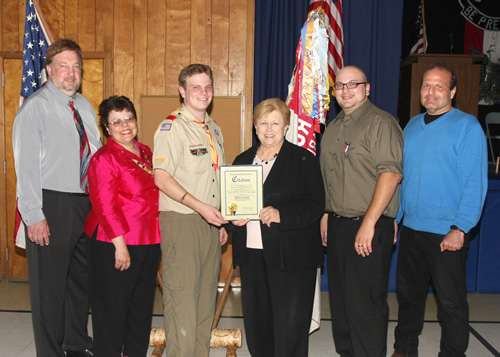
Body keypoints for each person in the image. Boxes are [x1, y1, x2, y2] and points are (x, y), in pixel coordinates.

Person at [391, 64, 488, 357]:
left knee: (450, 303)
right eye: (426, 86)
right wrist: (395, 218)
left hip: (446, 233)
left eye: (439, 86)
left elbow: (475, 183)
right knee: (408, 298)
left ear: (453, 92)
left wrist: (460, 228)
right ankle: (404, 350)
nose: (431, 92)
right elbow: (401, 177)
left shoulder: (467, 127)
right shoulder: (411, 126)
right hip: (411, 230)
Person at [12, 39, 100, 357]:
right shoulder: (35, 107)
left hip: (84, 203)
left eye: (76, 66)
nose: (71, 72)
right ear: (49, 70)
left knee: (79, 281)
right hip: (51, 202)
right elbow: (26, 166)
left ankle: (75, 343)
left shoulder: (85, 107)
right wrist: (33, 214)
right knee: (49, 287)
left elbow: (95, 155)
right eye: (63, 66)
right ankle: (49, 351)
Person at [227, 98, 325, 357]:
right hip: (252, 254)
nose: (268, 129)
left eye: (275, 123)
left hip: (291, 255)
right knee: (258, 322)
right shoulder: (242, 160)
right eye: (263, 123)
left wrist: (283, 214)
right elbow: (232, 206)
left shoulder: (303, 159)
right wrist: (232, 221)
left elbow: (316, 204)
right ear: (255, 126)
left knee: (289, 324)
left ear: (286, 126)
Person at [319, 65, 404, 357]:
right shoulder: (333, 127)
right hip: (339, 225)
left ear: (367, 89)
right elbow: (331, 177)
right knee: (342, 306)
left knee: (364, 307)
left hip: (367, 226)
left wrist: (369, 223)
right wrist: (326, 215)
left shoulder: (380, 123)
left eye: (353, 84)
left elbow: (390, 175)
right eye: (339, 86)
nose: (345, 90)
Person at [153, 63, 228, 357]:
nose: (203, 92)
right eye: (195, 87)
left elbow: (214, 177)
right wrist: (201, 208)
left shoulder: (214, 129)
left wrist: (220, 221)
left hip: (209, 225)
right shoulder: (171, 127)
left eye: (207, 87)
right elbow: (161, 177)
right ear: (182, 91)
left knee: (205, 302)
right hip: (182, 222)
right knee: (182, 301)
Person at [83, 96, 161, 356]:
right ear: (106, 128)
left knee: (140, 308)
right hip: (115, 243)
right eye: (116, 122)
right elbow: (105, 205)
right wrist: (120, 246)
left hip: (149, 240)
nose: (124, 125)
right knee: (112, 311)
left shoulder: (147, 152)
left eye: (128, 118)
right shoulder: (104, 159)